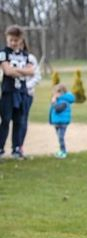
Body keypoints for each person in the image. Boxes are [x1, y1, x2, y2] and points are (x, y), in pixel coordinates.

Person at [0, 25, 35, 159]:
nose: (13, 42)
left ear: (21, 40)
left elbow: (32, 71)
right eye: (11, 40)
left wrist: (17, 71)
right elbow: (7, 71)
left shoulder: (26, 55)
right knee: (5, 120)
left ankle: (16, 148)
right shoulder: (3, 52)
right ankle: (1, 148)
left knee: (19, 121)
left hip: (22, 92)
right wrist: (23, 71)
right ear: (7, 38)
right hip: (8, 92)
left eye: (16, 40)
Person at [19, 39, 42, 155]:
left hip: (27, 94)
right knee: (7, 121)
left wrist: (24, 87)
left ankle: (19, 146)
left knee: (23, 120)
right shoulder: (6, 57)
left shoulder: (30, 58)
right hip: (10, 93)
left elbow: (37, 77)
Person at [49, 84, 75, 158]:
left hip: (62, 123)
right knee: (59, 138)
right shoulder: (59, 100)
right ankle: (61, 150)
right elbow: (52, 111)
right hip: (57, 122)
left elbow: (57, 109)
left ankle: (63, 151)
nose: (54, 94)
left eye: (56, 92)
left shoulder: (64, 102)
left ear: (61, 92)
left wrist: (53, 102)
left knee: (61, 137)